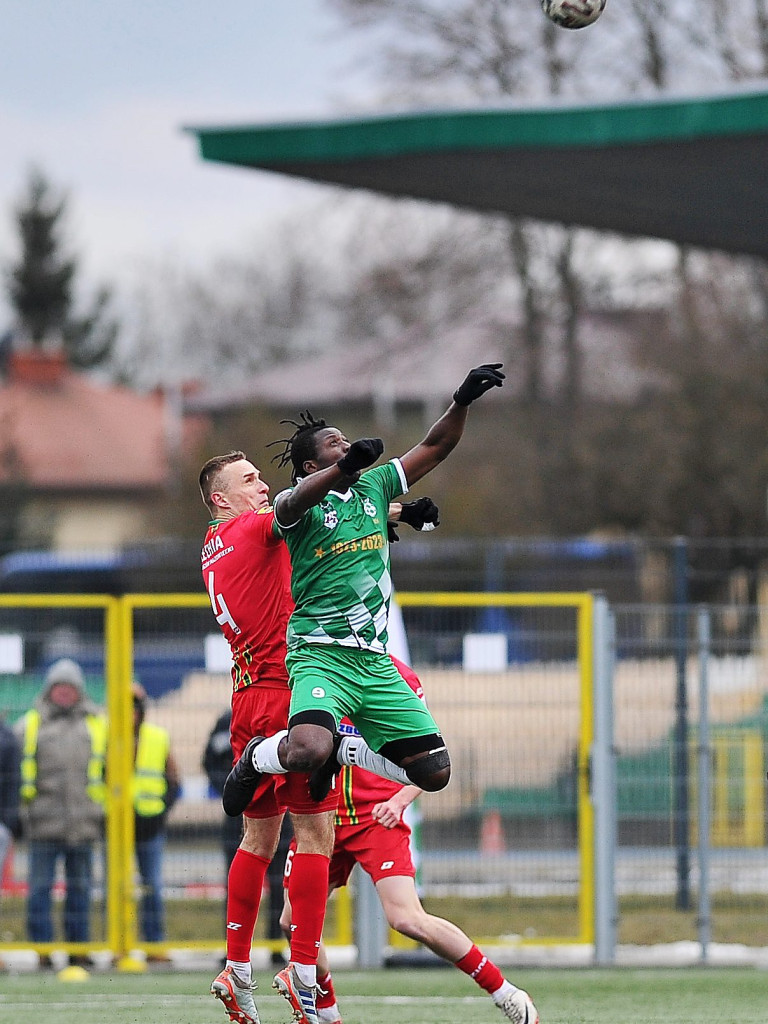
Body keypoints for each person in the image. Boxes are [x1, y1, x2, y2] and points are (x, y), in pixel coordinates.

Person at [222, 362, 503, 1021]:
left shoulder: (373, 485)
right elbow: (294, 502)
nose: (343, 444)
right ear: (305, 463)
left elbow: (435, 447)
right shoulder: (296, 505)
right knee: (306, 747)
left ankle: (342, 754)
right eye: (330, 442)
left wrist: (460, 398)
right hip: (319, 652)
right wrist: (344, 473)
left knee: (435, 773)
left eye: (346, 440)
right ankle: (265, 759)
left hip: (374, 664)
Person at [199, 452, 439, 1024]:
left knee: (257, 841)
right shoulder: (258, 524)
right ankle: (305, 974)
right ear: (220, 498)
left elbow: (322, 526)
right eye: (248, 479)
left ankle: (236, 968)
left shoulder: (214, 544)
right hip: (292, 688)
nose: (262, 484)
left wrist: (397, 512)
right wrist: (385, 502)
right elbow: (308, 512)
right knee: (315, 832)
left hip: (247, 694)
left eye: (260, 476)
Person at [280, 655, 538, 1024]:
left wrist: (398, 800)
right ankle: (329, 1015)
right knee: (292, 923)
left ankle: (505, 992)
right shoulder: (314, 669)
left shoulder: (396, 675)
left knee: (406, 918)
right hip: (323, 820)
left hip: (374, 820)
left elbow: (430, 758)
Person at [15, 658, 107, 969]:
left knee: (80, 890)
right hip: (42, 824)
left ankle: (78, 950)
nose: (64, 693)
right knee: (40, 889)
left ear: (79, 691)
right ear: (49, 690)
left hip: (84, 824)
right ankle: (43, 951)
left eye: (70, 687)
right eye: (59, 687)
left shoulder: (96, 724)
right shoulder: (29, 724)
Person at [203, 708, 293, 967]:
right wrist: (235, 790)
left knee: (280, 885)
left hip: (280, 809)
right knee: (238, 883)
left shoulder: (284, 714)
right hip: (239, 814)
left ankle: (277, 946)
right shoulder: (227, 721)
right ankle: (235, 950)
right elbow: (210, 761)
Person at [131, 680, 181, 949]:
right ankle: (121, 944)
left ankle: (154, 944)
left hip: (149, 824)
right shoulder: (107, 736)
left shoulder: (157, 737)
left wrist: (160, 810)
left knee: (152, 887)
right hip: (116, 826)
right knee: (117, 890)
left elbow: (174, 782)